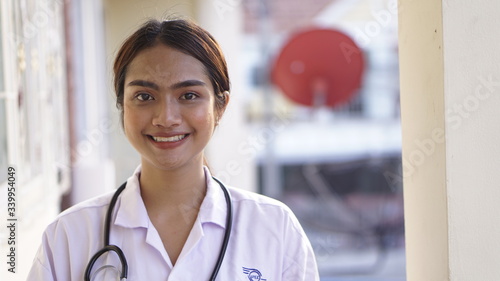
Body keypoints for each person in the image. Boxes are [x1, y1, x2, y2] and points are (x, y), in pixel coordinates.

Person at [27, 18, 319, 281]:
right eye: (144, 96)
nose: (166, 118)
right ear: (121, 106)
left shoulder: (274, 228)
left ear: (220, 106)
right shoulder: (68, 236)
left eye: (189, 95)